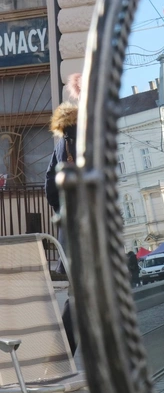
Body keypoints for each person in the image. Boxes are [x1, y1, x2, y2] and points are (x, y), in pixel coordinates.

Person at [44, 73, 81, 355]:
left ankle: (62, 350)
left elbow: (48, 179)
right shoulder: (87, 137)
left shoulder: (61, 144)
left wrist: (59, 208)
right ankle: (63, 351)